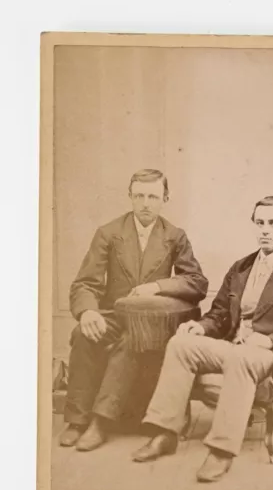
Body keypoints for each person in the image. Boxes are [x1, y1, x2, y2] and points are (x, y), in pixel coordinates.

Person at [132, 195, 273, 482]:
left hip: (272, 354)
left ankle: (222, 451)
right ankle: (165, 432)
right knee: (180, 344)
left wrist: (271, 340)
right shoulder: (241, 267)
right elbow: (220, 314)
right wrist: (200, 327)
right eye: (259, 222)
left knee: (241, 356)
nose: (265, 230)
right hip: (235, 347)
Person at [59, 168, 208, 451]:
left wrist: (158, 287)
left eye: (153, 196)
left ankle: (100, 422)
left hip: (154, 321)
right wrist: (88, 311)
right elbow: (84, 283)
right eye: (139, 195)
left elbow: (196, 283)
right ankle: (77, 420)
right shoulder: (109, 233)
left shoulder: (175, 236)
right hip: (115, 314)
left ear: (165, 198)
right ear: (129, 197)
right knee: (82, 333)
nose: (145, 203)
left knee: (131, 341)